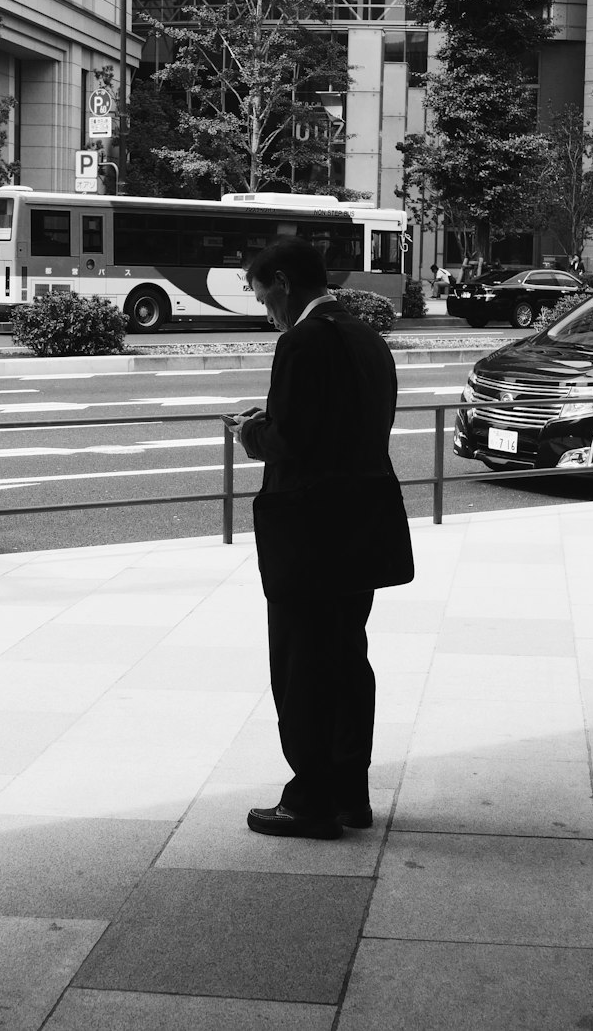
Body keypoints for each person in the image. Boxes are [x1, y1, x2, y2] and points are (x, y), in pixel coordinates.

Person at [232, 237, 412, 840]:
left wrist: (254, 434)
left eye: (263, 297)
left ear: (281, 281)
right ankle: (348, 795)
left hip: (310, 529)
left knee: (302, 664)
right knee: (346, 661)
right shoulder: (366, 336)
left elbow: (295, 440)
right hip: (363, 525)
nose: (267, 312)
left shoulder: (302, 341)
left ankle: (309, 798)